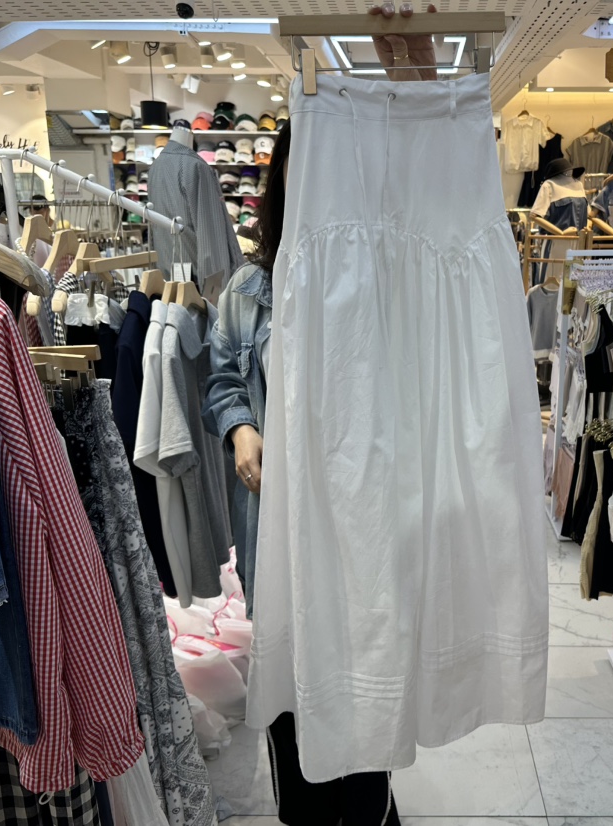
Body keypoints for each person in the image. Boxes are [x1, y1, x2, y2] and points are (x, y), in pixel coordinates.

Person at [202, 6, 438, 823]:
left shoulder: (383, 284)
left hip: (368, 527)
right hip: (280, 527)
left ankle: (370, 809)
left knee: (367, 676)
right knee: (293, 684)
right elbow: (223, 378)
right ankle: (308, 811)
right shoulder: (252, 289)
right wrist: (241, 426)